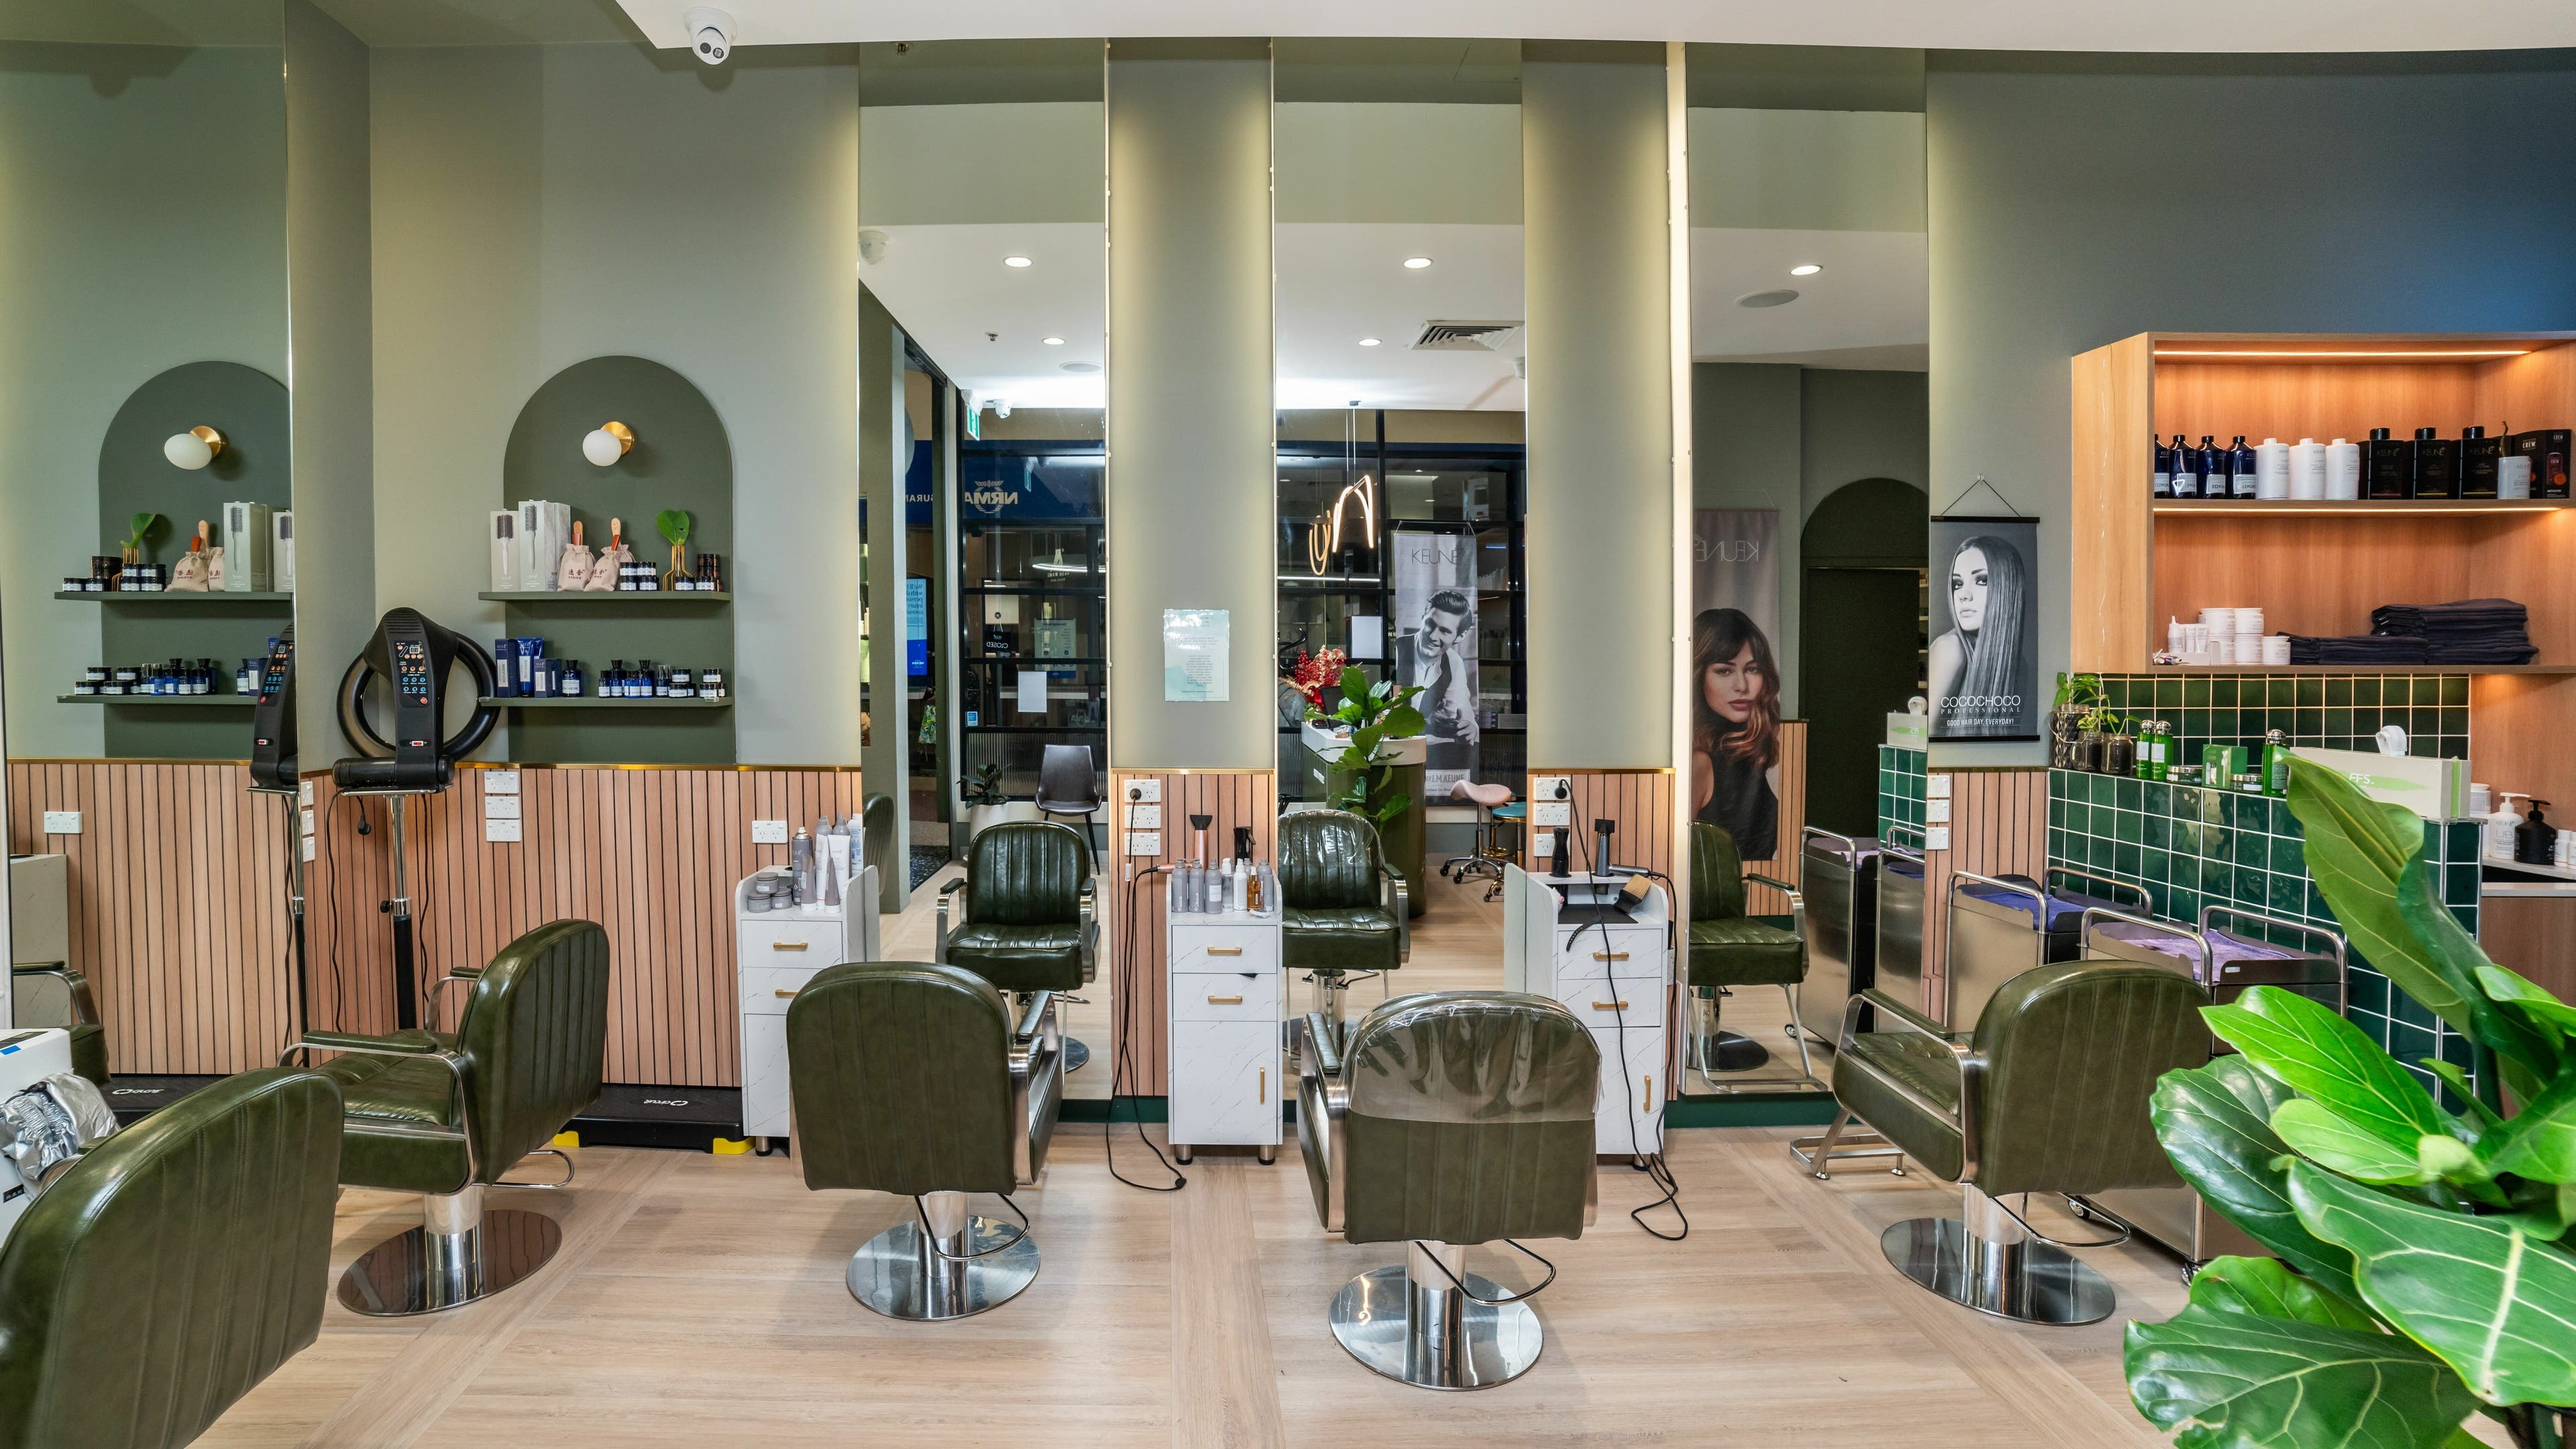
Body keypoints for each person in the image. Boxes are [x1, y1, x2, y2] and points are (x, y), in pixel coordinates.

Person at [1689, 607, 1780, 863]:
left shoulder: (1749, 754)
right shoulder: (1699, 762)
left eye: (1752, 669)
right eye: (1724, 671)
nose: (1742, 686)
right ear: (1698, 676)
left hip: (1756, 896)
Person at [1927, 534, 2032, 739]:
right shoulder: (1950, 649)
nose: (1963, 595)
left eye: (1981, 580)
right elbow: (1929, 739)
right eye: (1957, 584)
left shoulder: (2019, 664)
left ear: (2006, 588)